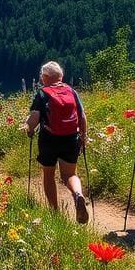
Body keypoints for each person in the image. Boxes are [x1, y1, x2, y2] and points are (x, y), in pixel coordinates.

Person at [25, 61, 89, 224]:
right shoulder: (71, 91)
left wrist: (29, 130)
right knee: (70, 174)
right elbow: (82, 117)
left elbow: (34, 119)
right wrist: (83, 136)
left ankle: (55, 213)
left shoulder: (42, 93)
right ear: (60, 76)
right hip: (71, 138)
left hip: (49, 139)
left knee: (49, 174)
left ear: (45, 77)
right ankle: (77, 194)